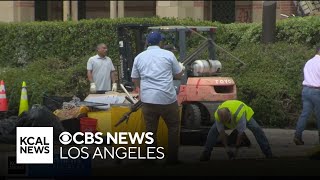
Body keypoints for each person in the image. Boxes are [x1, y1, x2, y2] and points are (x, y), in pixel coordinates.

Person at [131, 31, 185, 165]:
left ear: (147, 42)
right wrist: (182, 69)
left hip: (148, 100)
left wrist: (141, 89)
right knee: (173, 128)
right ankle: (172, 159)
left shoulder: (139, 57)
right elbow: (178, 75)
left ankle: (151, 158)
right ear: (160, 42)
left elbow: (134, 78)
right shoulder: (168, 55)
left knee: (150, 130)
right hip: (167, 99)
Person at [200, 100, 273, 161]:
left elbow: (240, 134)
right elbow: (222, 134)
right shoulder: (218, 116)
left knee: (257, 129)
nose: (226, 124)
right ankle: (206, 154)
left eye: (227, 121)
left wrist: (236, 151)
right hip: (230, 114)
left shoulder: (239, 114)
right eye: (223, 122)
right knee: (213, 131)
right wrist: (227, 149)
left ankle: (268, 153)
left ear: (230, 115)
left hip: (245, 115)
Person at [294, 46, 320, 145]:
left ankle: (297, 136)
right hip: (316, 91)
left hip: (306, 90)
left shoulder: (309, 62)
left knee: (304, 114)